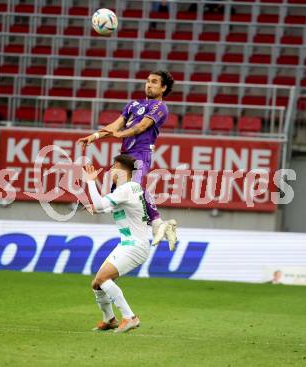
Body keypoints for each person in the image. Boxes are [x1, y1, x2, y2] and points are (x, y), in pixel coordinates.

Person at [77, 70, 177, 250]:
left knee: (134, 188)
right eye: (148, 81)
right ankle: (157, 224)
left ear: (163, 88)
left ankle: (157, 223)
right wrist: (95, 136)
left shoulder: (159, 107)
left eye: (154, 82)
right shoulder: (133, 104)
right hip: (125, 155)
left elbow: (142, 126)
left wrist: (120, 134)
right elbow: (115, 126)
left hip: (140, 153)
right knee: (120, 194)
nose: (149, 84)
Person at [86, 154, 149, 333]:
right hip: (129, 243)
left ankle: (130, 317)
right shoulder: (132, 188)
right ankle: (109, 319)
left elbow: (99, 204)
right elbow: (115, 207)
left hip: (134, 245)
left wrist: (90, 182)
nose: (111, 170)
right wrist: (99, 209)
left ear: (122, 170)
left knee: (103, 278)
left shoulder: (126, 189)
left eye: (114, 166)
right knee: (97, 284)